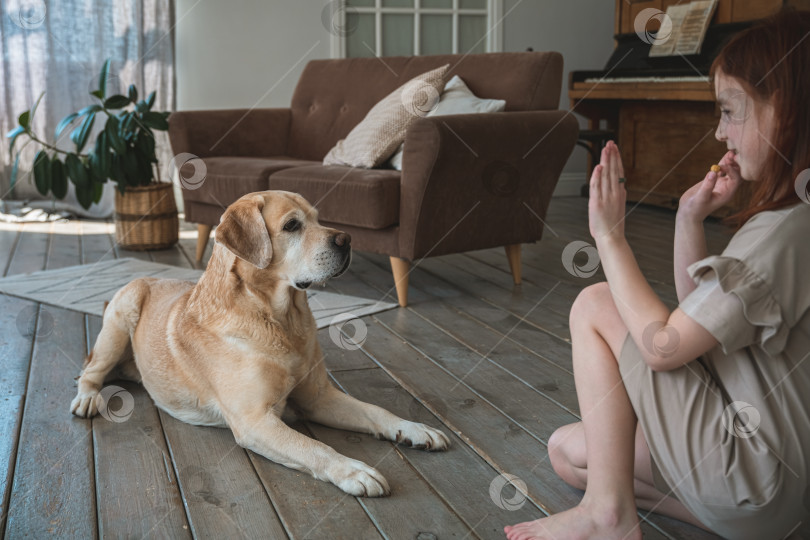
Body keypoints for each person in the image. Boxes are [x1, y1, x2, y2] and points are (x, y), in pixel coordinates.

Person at [505, 9, 810, 540]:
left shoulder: (784, 231)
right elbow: (699, 330)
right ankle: (649, 507)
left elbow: (664, 348)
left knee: (596, 302)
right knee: (568, 452)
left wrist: (610, 238)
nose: (720, 132)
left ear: (781, 107)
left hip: (747, 463)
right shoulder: (795, 218)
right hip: (775, 494)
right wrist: (689, 220)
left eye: (730, 111)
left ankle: (608, 517)